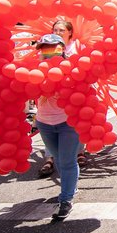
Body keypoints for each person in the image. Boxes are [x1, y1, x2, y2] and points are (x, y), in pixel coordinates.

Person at [33, 34, 84, 221]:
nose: (48, 52)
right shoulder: (33, 69)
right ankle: (70, 187)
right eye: (44, 48)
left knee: (67, 160)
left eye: (52, 48)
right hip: (44, 123)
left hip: (68, 123)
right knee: (60, 160)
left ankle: (66, 199)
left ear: (62, 48)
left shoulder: (72, 68)